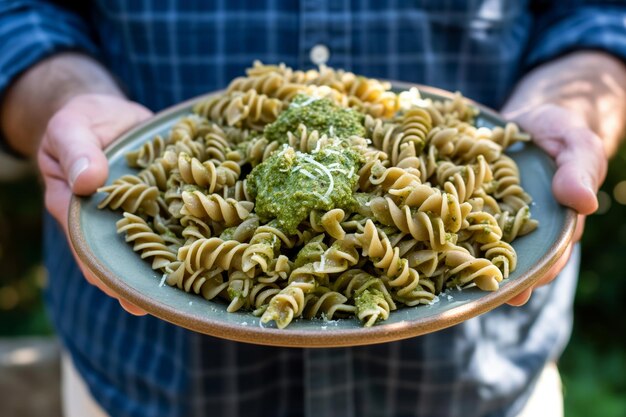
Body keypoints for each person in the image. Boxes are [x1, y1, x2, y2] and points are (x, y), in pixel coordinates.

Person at [1, 2, 625, 416]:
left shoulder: (430, 175)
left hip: (478, 391)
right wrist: (66, 97)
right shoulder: (195, 184)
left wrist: (572, 100)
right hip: (144, 385)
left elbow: (599, 11)